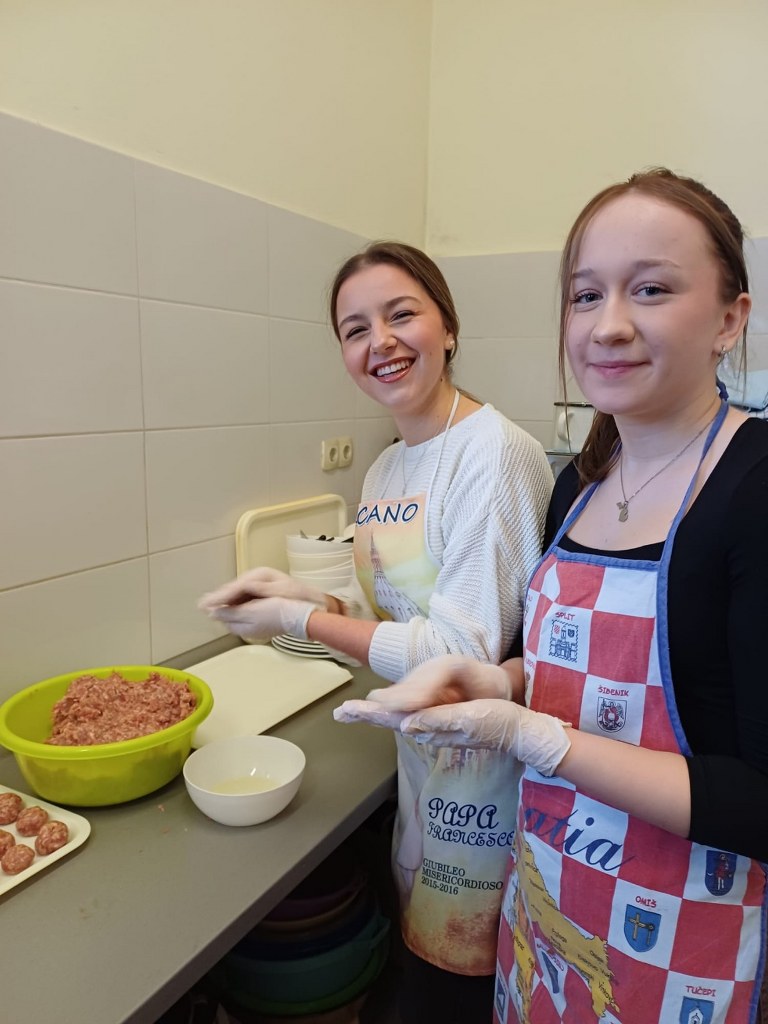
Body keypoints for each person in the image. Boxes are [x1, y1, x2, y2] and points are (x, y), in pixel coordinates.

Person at [336, 172, 768, 1023]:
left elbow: (760, 798)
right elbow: (589, 672)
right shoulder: (579, 486)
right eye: (585, 295)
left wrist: (536, 737)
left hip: (682, 933)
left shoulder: (753, 491)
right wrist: (501, 681)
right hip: (547, 902)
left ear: (730, 320)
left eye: (651, 289)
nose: (608, 325)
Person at [199, 241, 554, 1022]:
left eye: (401, 315)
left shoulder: (494, 454)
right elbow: (399, 622)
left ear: (448, 327)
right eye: (355, 329)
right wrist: (308, 596)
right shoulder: (388, 468)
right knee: (421, 949)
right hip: (420, 761)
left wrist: (303, 619)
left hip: (489, 778)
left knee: (468, 982)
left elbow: (458, 655)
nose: (380, 342)